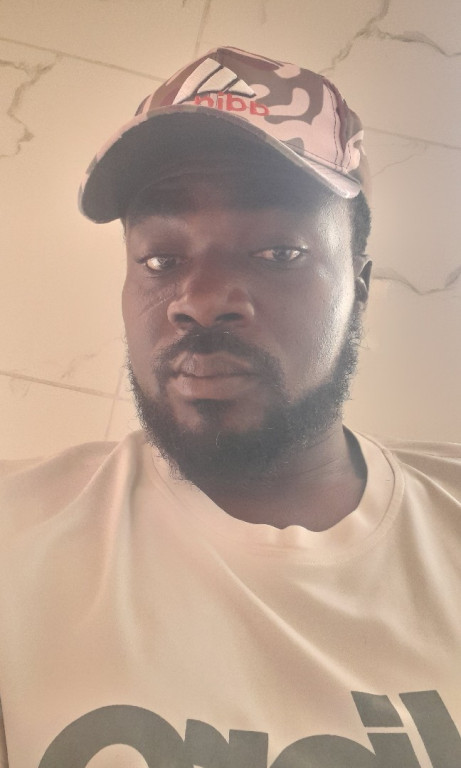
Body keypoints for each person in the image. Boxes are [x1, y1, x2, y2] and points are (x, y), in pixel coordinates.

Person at [0, 47, 459, 767]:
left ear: (359, 288)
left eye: (278, 252)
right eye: (161, 259)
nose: (202, 300)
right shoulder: (18, 536)